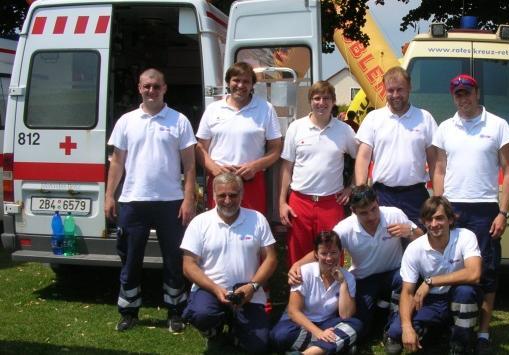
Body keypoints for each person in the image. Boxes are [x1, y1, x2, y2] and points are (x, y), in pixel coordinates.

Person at [105, 68, 196, 332]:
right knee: (130, 258)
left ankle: (175, 311)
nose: (151, 91)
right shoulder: (126, 121)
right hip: (133, 200)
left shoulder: (179, 121)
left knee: (173, 259)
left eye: (156, 86)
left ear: (165, 88)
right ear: (139, 88)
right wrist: (110, 195)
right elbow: (117, 162)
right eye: (147, 86)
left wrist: (188, 199)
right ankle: (129, 311)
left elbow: (189, 166)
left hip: (170, 201)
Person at [432, 74, 509, 354]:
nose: (463, 99)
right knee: (452, 267)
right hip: (452, 207)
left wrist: (503, 212)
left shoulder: (498, 125)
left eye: (467, 93)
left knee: (487, 271)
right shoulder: (445, 127)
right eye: (458, 94)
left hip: (485, 209)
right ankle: (455, 326)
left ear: (477, 93)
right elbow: (440, 169)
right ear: (453, 97)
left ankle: (482, 332)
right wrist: (438, 205)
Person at [289, 186, 423, 339]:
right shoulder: (345, 228)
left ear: (378, 202)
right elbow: (326, 250)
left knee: (406, 278)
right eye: (364, 213)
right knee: (362, 328)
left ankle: (393, 328)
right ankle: (381, 312)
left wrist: (410, 232)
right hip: (364, 279)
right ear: (353, 210)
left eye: (373, 209)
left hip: (394, 273)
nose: (371, 216)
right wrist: (297, 265)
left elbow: (423, 238)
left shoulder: (394, 214)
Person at [180, 172, 278, 353]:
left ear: (242, 194)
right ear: (213, 194)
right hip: (210, 289)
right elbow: (188, 265)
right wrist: (216, 289)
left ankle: (236, 330)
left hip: (248, 292)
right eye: (221, 195)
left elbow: (271, 259)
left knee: (259, 346)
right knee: (202, 315)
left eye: (233, 195)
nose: (227, 200)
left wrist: (252, 286)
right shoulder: (200, 222)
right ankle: (214, 333)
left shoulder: (257, 219)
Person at [385, 196, 482, 355]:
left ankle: (461, 343)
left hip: (455, 296)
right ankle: (439, 330)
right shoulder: (415, 248)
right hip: (430, 300)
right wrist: (407, 328)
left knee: (466, 292)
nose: (434, 224)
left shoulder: (465, 236)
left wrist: (431, 282)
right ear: (423, 222)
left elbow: (474, 273)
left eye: (439, 218)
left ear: (450, 219)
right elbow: (408, 292)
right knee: (398, 332)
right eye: (429, 219)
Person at [279, 81, 358, 266]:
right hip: (300, 203)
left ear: (333, 101)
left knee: (331, 256)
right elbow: (286, 168)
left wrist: (351, 188)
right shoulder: (296, 128)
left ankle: (332, 294)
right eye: (316, 98)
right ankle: (299, 294)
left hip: (331, 203)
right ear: (310, 101)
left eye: (326, 98)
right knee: (298, 258)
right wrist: (282, 202)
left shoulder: (344, 130)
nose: (321, 103)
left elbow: (361, 158)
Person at [355, 66, 437, 225]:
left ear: (409, 88)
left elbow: (435, 163)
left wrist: (439, 198)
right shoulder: (373, 118)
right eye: (390, 90)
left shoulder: (425, 118)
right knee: (384, 246)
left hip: (415, 196)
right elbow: (363, 158)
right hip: (382, 195)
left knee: (418, 244)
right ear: (384, 90)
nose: (395, 95)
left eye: (400, 89)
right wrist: (361, 192)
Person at [196, 62, 283, 214]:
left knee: (252, 230)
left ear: (252, 85)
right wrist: (215, 169)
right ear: (228, 82)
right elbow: (200, 148)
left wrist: (255, 166)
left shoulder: (265, 108)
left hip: (252, 181)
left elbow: (276, 149)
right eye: (236, 80)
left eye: (246, 81)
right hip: (220, 182)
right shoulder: (213, 109)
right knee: (219, 229)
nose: (240, 85)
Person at [271, 231, 363, 354]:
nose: (329, 258)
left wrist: (343, 283)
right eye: (324, 253)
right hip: (300, 324)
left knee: (355, 324)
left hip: (327, 323)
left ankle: (308, 352)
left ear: (341, 253)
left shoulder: (348, 277)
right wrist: (319, 333)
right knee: (281, 335)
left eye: (334, 253)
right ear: (316, 254)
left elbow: (345, 315)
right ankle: (333, 347)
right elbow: (293, 312)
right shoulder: (304, 272)